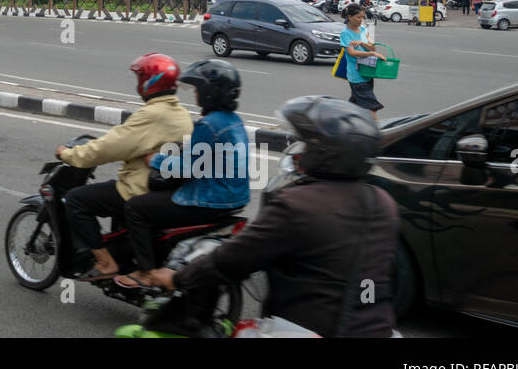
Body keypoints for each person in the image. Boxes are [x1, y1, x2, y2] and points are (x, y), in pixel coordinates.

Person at [142, 96, 397, 338]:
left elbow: (232, 260)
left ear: (325, 153)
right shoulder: (383, 202)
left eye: (306, 144)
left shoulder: (297, 204)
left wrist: (178, 278)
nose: (300, 151)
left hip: (309, 328)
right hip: (378, 329)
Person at [51, 53, 194, 281]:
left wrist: (69, 155)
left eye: (140, 77)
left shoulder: (152, 115)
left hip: (139, 188)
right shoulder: (181, 113)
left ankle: (105, 263)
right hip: (165, 188)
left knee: (77, 199)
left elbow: (110, 147)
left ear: (148, 82)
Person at [115, 59, 250, 289]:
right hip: (234, 198)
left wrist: (156, 159)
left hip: (207, 199)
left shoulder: (209, 125)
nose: (195, 94)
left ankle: (145, 272)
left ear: (210, 92)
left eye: (198, 89)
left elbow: (188, 168)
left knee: (136, 207)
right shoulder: (234, 122)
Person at [339, 5, 383, 116]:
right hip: (356, 76)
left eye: (363, 17)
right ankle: (375, 132)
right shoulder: (345, 33)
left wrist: (363, 43)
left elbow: (373, 47)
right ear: (349, 17)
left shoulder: (364, 30)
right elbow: (352, 53)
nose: (361, 20)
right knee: (371, 107)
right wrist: (371, 53)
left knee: (354, 105)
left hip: (367, 73)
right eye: (358, 17)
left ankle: (344, 123)